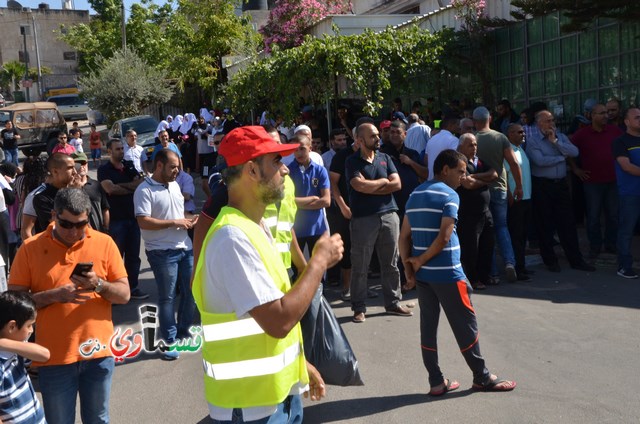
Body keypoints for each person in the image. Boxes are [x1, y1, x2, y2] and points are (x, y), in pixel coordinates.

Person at [191, 125, 343, 423]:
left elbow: (269, 316)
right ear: (251, 171)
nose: (285, 171)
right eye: (276, 162)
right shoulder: (233, 238)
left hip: (275, 395)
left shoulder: (253, 228)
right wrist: (317, 262)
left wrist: (301, 365)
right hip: (251, 406)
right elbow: (279, 320)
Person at [399, 149, 517, 396]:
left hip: (423, 277)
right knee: (466, 325)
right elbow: (444, 237)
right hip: (449, 274)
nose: (463, 177)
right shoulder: (450, 195)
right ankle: (482, 377)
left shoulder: (415, 194)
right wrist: (418, 259)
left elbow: (404, 237)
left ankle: (436, 381)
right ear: (445, 170)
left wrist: (410, 270)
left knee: (428, 327)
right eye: (460, 171)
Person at [8, 188, 130, 424]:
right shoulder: (30, 248)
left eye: (81, 224)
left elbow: (124, 295)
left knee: (98, 419)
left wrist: (99, 284)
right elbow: (15, 304)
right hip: (54, 359)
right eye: (66, 224)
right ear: (53, 216)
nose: (74, 231)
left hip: (98, 354)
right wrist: (52, 296)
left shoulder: (104, 243)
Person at [345, 122, 412, 323]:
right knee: (361, 264)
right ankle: (359, 307)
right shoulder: (351, 162)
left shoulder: (385, 158)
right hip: (363, 218)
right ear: (360, 140)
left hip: (389, 215)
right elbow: (359, 186)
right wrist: (384, 183)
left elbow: (397, 184)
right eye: (373, 136)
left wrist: (376, 185)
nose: (378, 138)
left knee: (391, 262)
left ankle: (392, 302)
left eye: (377, 135)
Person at [134, 149, 197, 360]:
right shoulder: (144, 191)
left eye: (178, 166)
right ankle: (169, 340)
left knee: (191, 293)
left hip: (184, 247)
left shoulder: (175, 185)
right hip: (161, 252)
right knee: (167, 297)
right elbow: (143, 221)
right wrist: (175, 222)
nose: (177, 171)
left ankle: (182, 333)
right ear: (159, 166)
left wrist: (190, 218)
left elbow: (178, 215)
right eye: (173, 167)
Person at [527, 110, 595, 272]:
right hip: (543, 186)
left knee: (567, 223)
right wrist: (561, 158)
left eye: (552, 120)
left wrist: (556, 142)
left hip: (561, 185)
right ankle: (550, 260)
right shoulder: (533, 141)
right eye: (547, 121)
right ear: (539, 124)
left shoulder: (561, 137)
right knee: (545, 223)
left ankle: (576, 260)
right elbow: (540, 161)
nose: (551, 124)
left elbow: (575, 152)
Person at [473, 106, 523, 283]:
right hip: (501, 187)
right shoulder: (500, 137)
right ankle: (510, 263)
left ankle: (493, 272)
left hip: (481, 189)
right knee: (502, 227)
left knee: (487, 231)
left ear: (474, 121)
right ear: (490, 118)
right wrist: (518, 186)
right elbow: (514, 164)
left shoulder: (473, 140)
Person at [569, 104, 623, 257]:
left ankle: (611, 244)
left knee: (613, 215)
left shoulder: (614, 131)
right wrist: (575, 169)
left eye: (607, 113)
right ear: (592, 115)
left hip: (613, 181)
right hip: (592, 182)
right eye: (602, 113)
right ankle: (595, 246)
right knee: (593, 216)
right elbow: (568, 152)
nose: (606, 116)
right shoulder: (582, 134)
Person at [98, 139, 147, 299]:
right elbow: (110, 189)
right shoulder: (104, 170)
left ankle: (132, 288)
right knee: (116, 257)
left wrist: (122, 187)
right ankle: (115, 291)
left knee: (133, 256)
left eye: (121, 148)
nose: (121, 151)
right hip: (116, 220)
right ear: (109, 151)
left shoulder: (129, 166)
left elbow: (141, 183)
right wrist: (130, 186)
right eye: (117, 149)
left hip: (133, 219)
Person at [0, 291, 50, 423]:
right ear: (12, 326)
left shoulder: (18, 349)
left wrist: (2, 343)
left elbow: (44, 355)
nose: (31, 330)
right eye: (29, 325)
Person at [455, 134, 497, 290]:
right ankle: (473, 279)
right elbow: (467, 184)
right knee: (472, 248)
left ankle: (485, 276)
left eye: (475, 145)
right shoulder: (460, 162)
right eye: (470, 145)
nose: (474, 148)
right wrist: (485, 182)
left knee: (488, 245)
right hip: (469, 214)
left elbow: (494, 174)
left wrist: (476, 177)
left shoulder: (479, 161)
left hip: (485, 212)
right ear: (461, 147)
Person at [289, 135, 330, 264]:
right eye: (295, 150)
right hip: (295, 229)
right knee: (298, 272)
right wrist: (312, 199)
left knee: (318, 267)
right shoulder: (288, 171)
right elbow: (287, 201)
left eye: (302, 149)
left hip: (317, 227)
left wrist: (298, 203)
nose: (299, 153)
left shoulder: (320, 170)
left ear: (310, 148)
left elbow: (326, 201)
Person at [612, 107, 640, 278]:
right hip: (630, 193)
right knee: (626, 230)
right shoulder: (620, 142)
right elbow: (626, 166)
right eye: (637, 117)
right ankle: (624, 265)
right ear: (627, 122)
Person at [505, 124, 534, 280]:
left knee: (523, 235)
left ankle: (522, 266)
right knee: (516, 235)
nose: (523, 134)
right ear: (510, 134)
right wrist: (510, 196)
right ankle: (517, 267)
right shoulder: (508, 151)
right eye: (519, 132)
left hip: (527, 198)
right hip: (516, 200)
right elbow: (505, 177)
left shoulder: (520, 149)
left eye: (523, 131)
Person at [32, 153, 78, 234]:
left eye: (74, 167)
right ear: (55, 171)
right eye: (70, 168)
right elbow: (64, 224)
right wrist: (72, 193)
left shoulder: (78, 190)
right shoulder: (42, 198)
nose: (75, 172)